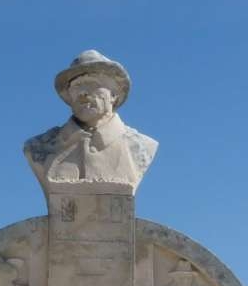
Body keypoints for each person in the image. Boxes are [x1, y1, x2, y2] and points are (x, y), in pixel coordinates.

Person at [24, 50, 158, 192]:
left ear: (114, 95)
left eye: (92, 83)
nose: (82, 93)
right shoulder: (39, 147)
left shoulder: (142, 146)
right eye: (76, 86)